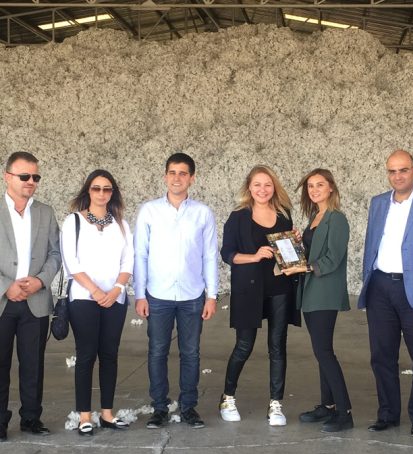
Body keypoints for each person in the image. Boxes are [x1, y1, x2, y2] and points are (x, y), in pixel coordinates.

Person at [357, 150, 413, 436]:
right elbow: (371, 244)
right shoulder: (378, 203)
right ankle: (387, 414)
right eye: (392, 171)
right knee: (381, 355)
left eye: (403, 170)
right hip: (380, 287)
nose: (397, 176)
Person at [134, 153, 219, 429]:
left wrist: (212, 295)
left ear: (192, 178)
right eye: (172, 172)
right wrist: (139, 294)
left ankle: (188, 407)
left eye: (183, 173)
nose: (177, 178)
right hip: (157, 294)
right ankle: (159, 408)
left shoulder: (202, 213)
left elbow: (209, 256)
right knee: (157, 351)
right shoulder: (149, 211)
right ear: (165, 176)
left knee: (191, 353)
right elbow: (140, 254)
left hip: (192, 295)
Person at [219, 165, 300, 426]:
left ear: (274, 187)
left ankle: (276, 404)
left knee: (277, 347)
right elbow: (227, 254)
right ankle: (227, 398)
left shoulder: (284, 214)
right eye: (257, 185)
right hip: (248, 290)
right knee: (244, 346)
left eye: (267, 184)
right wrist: (254, 257)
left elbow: (289, 254)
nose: (262, 190)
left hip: (279, 288)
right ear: (249, 187)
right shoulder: (238, 217)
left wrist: (296, 242)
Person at [61, 170, 133, 436]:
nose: (101, 193)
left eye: (107, 189)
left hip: (115, 298)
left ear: (113, 193)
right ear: (88, 191)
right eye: (96, 188)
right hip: (84, 298)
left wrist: (116, 289)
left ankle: (107, 414)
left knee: (110, 355)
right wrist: (95, 291)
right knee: (86, 354)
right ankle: (84, 416)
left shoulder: (121, 225)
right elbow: (71, 262)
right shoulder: (74, 222)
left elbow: (128, 261)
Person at [283, 168, 353, 433]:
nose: (314, 190)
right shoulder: (315, 217)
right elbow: (311, 254)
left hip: (325, 291)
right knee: (321, 351)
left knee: (324, 351)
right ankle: (328, 405)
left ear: (331, 187)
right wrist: (297, 244)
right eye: (310, 186)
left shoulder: (337, 219)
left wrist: (306, 267)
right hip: (310, 290)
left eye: (319, 185)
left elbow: (333, 258)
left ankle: (345, 413)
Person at [0, 151, 61, 441]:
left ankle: (31, 418)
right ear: (7, 177)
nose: (31, 181)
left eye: (36, 177)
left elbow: (55, 253)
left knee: (33, 364)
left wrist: (40, 281)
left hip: (35, 302)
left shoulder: (45, 212)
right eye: (24, 176)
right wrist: (5, 286)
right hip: (3, 301)